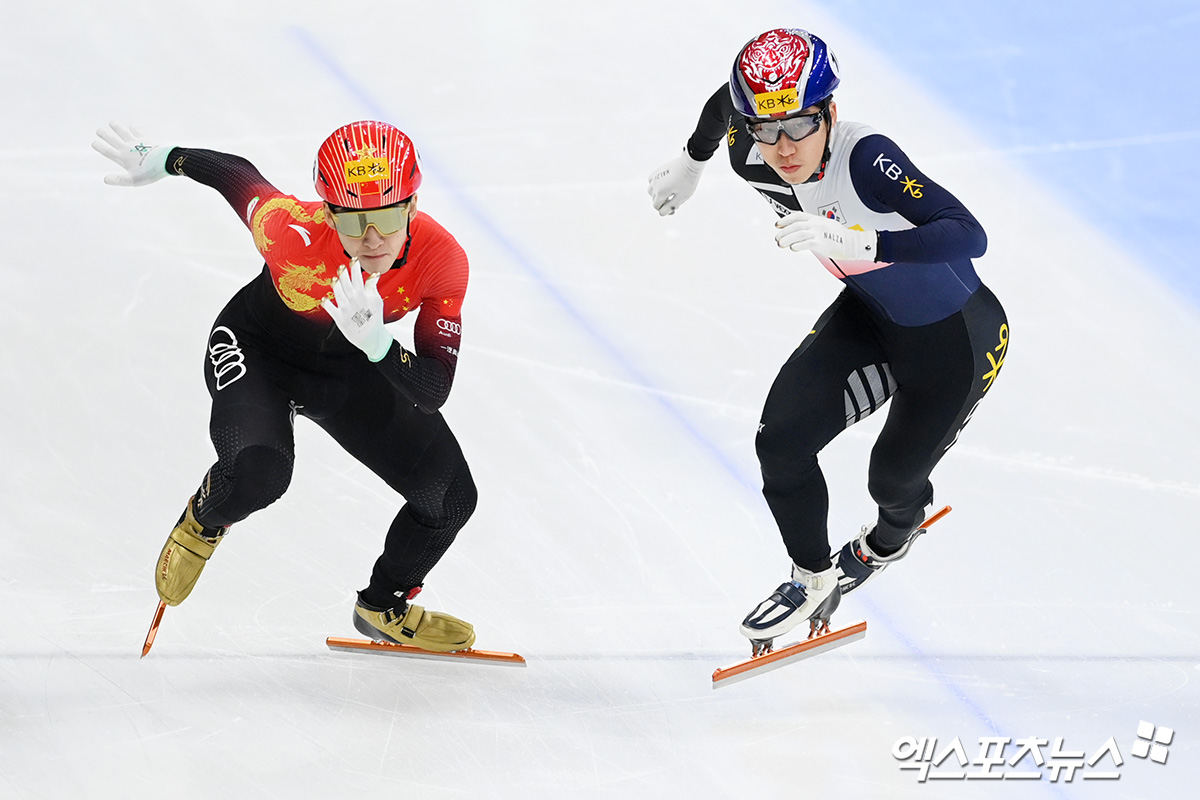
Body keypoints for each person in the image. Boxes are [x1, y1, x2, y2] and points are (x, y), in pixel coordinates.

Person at [647, 29, 1008, 651]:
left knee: (891, 482)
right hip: (870, 317)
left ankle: (891, 538)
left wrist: (869, 242)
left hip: (956, 340)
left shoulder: (867, 160)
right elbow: (722, 107)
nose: (782, 147)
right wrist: (692, 161)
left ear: (830, 113)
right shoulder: (751, 143)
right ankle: (813, 579)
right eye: (766, 127)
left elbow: (968, 234)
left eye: (800, 127)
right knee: (780, 443)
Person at [93, 120, 479, 652]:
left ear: (412, 206)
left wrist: (378, 347)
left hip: (352, 369)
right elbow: (237, 177)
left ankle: (383, 604)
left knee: (450, 499)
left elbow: (433, 387)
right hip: (260, 352)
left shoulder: (442, 261)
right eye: (353, 220)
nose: (372, 238)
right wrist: (166, 157)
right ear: (327, 213)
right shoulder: (290, 231)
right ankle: (206, 517)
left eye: (388, 216)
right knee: (260, 473)